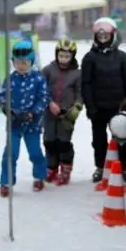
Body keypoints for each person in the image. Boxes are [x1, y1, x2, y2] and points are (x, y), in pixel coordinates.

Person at [81, 17, 126, 182]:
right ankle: (100, 166)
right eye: (100, 36)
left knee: (121, 138)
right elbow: (86, 84)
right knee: (99, 140)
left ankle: (124, 166)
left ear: (112, 36)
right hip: (98, 107)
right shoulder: (89, 58)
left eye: (106, 36)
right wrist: (90, 106)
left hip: (118, 106)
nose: (103, 39)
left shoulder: (122, 57)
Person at [0, 40, 49, 195]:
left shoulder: (38, 79)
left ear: (31, 62)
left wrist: (32, 113)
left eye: (24, 63)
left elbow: (44, 98)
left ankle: (39, 176)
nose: (20, 66)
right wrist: (8, 110)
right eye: (17, 62)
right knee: (10, 154)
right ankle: (6, 182)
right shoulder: (10, 79)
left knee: (35, 153)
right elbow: (3, 97)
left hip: (32, 124)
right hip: (14, 124)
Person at [41, 39, 82, 185]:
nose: (64, 59)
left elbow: (80, 93)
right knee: (49, 141)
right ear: (56, 55)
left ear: (72, 57)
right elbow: (41, 89)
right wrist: (49, 103)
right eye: (61, 56)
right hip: (49, 112)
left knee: (63, 142)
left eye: (67, 56)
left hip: (66, 114)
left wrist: (77, 107)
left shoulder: (77, 74)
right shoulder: (47, 70)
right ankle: (51, 167)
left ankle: (66, 167)